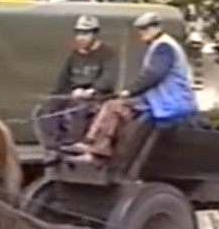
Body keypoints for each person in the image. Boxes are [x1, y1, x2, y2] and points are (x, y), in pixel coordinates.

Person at [63, 12, 198, 162]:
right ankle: (95, 145)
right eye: (140, 29)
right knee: (116, 107)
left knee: (113, 107)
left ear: (157, 28)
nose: (141, 33)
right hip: (161, 100)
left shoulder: (163, 47)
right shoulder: (161, 45)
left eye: (145, 29)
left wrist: (130, 91)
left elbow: (154, 74)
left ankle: (96, 149)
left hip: (169, 103)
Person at [37, 15, 118, 149]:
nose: (80, 37)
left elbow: (108, 78)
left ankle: (77, 145)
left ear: (95, 34)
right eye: (78, 33)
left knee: (79, 110)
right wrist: (55, 95)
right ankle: (54, 145)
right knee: (45, 110)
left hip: (96, 97)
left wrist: (91, 91)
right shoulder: (75, 55)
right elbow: (64, 78)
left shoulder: (107, 53)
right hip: (73, 94)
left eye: (85, 33)